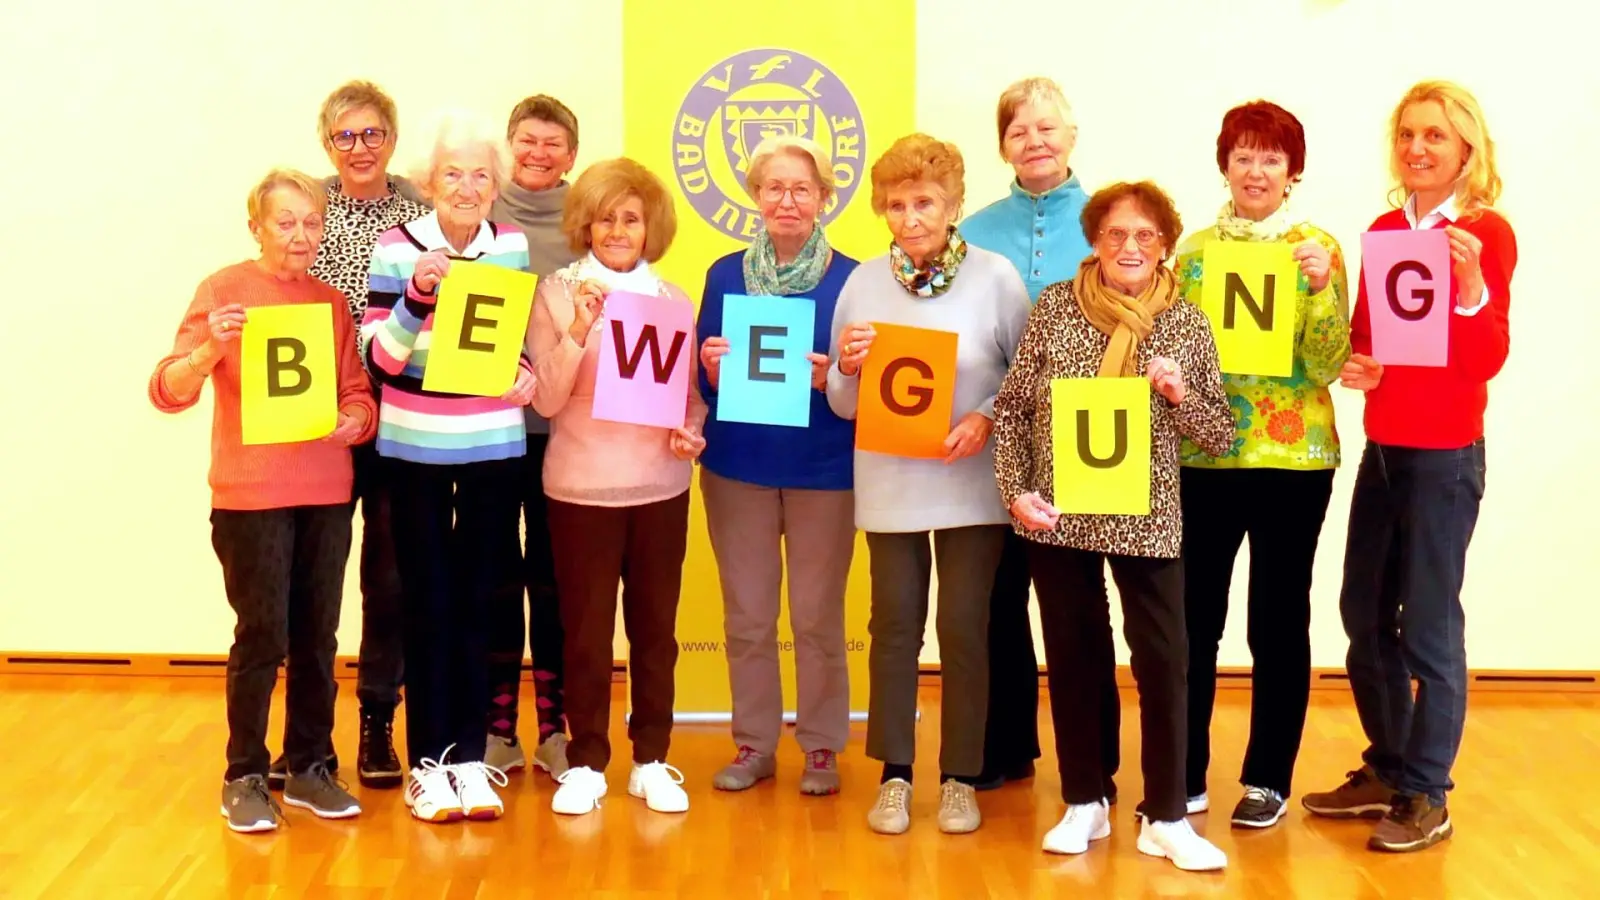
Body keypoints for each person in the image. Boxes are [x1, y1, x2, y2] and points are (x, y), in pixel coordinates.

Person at [992, 181, 1234, 871]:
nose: (1130, 247)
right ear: (1094, 241)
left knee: (1164, 661)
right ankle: (1085, 800)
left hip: (1147, 514)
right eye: (1116, 235)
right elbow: (1012, 411)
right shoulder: (1054, 309)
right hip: (1059, 512)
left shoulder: (1185, 321)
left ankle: (1165, 815)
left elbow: (1217, 433)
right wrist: (1016, 492)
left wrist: (1178, 394)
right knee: (1073, 657)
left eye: (1146, 236)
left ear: (1165, 246)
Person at [1302, 80, 1516, 854]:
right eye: (1408, 135)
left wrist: (1469, 291)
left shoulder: (1486, 233)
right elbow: (1373, 335)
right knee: (1364, 615)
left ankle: (1429, 792)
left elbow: (1487, 357)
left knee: (1429, 627)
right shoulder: (1387, 228)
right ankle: (1391, 768)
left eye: (1435, 136)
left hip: (1446, 457)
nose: (1418, 148)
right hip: (1386, 450)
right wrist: (1363, 365)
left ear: (1466, 149)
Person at [149, 169, 376, 832]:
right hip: (251, 498)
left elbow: (357, 393)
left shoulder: (331, 304)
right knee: (261, 636)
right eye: (286, 222)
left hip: (327, 491)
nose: (301, 235)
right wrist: (207, 352)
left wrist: (353, 421)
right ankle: (245, 773)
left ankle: (309, 766)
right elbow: (167, 389)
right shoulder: (224, 291)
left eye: (312, 222)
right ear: (257, 227)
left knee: (318, 638)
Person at [825, 133, 1031, 835]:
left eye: (925, 202)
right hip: (889, 482)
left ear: (952, 205)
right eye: (896, 204)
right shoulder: (862, 283)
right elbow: (840, 403)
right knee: (893, 628)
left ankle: (960, 777)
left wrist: (983, 416)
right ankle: (894, 774)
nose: (910, 217)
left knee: (965, 629)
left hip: (971, 480)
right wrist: (846, 369)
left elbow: (1025, 379)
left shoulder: (997, 276)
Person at [1174, 100, 1352, 829]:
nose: (1256, 170)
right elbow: (1177, 354)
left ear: (1293, 172)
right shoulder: (1189, 254)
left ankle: (1268, 778)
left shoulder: (1319, 249)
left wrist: (1318, 292)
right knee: (1192, 621)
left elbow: (1328, 363)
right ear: (1224, 164)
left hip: (1295, 461)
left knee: (1278, 621)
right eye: (1243, 155)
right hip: (1204, 453)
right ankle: (1182, 772)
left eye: (1271, 158)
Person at [361, 111, 535, 824]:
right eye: (454, 174)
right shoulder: (396, 246)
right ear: (431, 183)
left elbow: (508, 340)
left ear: (496, 188)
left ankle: (469, 758)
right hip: (415, 449)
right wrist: (416, 297)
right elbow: (381, 359)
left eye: (481, 176)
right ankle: (428, 761)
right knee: (426, 602)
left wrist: (522, 372)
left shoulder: (512, 244)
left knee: (482, 602)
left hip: (494, 444)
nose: (467, 187)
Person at [528, 157, 706, 818]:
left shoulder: (672, 302)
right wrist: (577, 328)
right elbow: (545, 399)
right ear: (587, 224)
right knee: (585, 634)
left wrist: (691, 431)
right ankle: (587, 761)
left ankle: (653, 758)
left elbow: (687, 399)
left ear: (649, 226)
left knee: (656, 632)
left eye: (630, 218)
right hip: (580, 492)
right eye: (606, 217)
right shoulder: (554, 292)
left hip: (661, 488)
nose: (618, 230)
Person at [270, 79, 429, 794]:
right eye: (345, 137)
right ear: (327, 145)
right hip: (322, 420)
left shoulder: (422, 211)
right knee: (315, 580)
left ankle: (376, 721)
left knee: (390, 579)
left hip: (403, 414)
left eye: (372, 134)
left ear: (392, 140)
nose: (359, 148)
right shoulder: (309, 210)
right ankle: (308, 738)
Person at [697, 135, 860, 796]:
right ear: (755, 197)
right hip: (739, 467)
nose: (787, 200)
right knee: (747, 615)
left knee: (818, 617)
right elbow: (704, 385)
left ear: (824, 199)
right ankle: (754, 742)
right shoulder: (724, 274)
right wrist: (709, 369)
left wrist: (838, 379)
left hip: (826, 468)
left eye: (801, 188)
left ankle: (821, 746)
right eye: (774, 187)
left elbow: (866, 381)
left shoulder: (856, 279)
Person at [961, 75, 1097, 791]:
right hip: (999, 433)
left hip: (1091, 436)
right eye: (1019, 131)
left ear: (1072, 136)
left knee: (1077, 605)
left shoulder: (1111, 220)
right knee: (996, 594)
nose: (1034, 141)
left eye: (1047, 127)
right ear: (1003, 146)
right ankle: (1002, 746)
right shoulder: (973, 231)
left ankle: (1090, 760)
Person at [483, 94, 583, 780]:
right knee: (493, 577)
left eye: (553, 143)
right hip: (489, 429)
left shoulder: (588, 223)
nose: (539, 153)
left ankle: (554, 725)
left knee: (553, 582)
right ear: (509, 144)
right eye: (528, 140)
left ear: (571, 155)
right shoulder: (481, 215)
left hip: (567, 432)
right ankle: (496, 728)